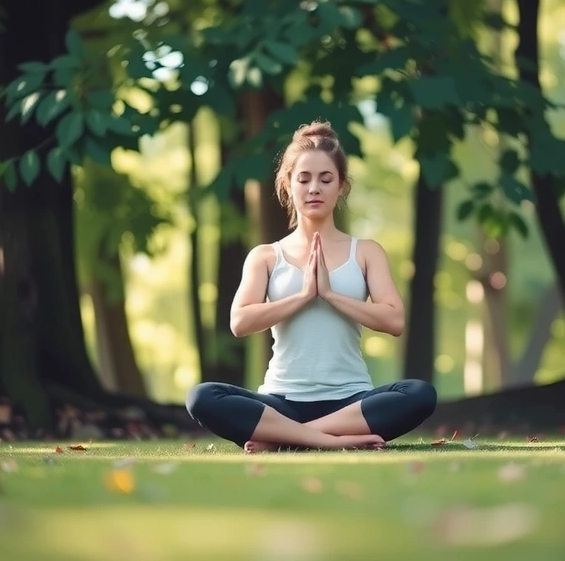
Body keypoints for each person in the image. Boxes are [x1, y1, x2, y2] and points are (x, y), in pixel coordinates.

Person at [185, 120, 438, 452]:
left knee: (420, 394)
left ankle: (284, 439)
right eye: (303, 179)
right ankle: (325, 441)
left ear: (342, 186)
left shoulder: (365, 252)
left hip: (350, 404)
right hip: (281, 402)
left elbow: (394, 321)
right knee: (202, 396)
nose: (314, 188)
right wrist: (304, 295)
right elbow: (240, 322)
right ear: (287, 184)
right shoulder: (265, 256)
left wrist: (330, 294)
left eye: (326, 179)